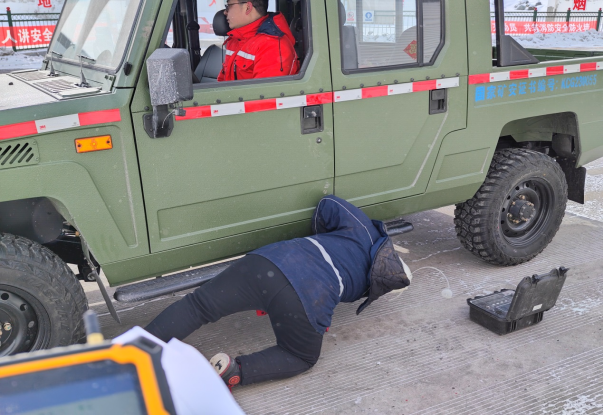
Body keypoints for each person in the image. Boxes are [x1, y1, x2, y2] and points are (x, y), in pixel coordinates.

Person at [144, 196, 411, 388]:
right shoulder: (368, 283)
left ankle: (136, 348)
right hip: (308, 294)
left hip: (268, 261)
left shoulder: (365, 231)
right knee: (301, 356)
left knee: (198, 306)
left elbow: (328, 204)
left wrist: (320, 242)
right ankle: (235, 371)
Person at [217, 0, 300, 81]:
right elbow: (222, 82)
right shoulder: (235, 40)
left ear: (247, 8)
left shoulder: (272, 45)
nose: (225, 12)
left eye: (228, 6)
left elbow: (264, 89)